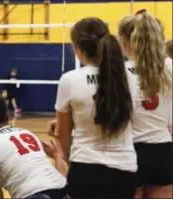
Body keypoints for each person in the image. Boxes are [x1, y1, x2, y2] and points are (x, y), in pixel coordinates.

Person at [51, 17, 138, 198]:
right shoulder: (128, 76)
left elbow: (63, 134)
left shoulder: (70, 80)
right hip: (125, 169)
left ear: (78, 48)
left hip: (85, 168)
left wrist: (69, 160)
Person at [0, 88, 67, 199]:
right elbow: (64, 180)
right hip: (65, 192)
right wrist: (56, 156)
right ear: (7, 117)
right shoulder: (27, 133)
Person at [118, 10, 172, 199]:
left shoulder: (118, 71)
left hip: (128, 149)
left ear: (125, 42)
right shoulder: (170, 67)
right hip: (163, 148)